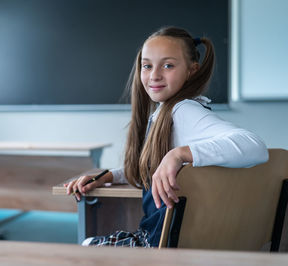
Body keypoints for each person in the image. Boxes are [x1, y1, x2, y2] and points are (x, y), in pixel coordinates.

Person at [65, 26, 269, 247]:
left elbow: (255, 146)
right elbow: (154, 167)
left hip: (163, 246)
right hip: (161, 241)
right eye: (147, 66)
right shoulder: (166, 113)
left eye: (168, 65)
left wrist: (178, 154)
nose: (154, 75)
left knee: (85, 247)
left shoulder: (184, 111)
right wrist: (109, 177)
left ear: (192, 70)